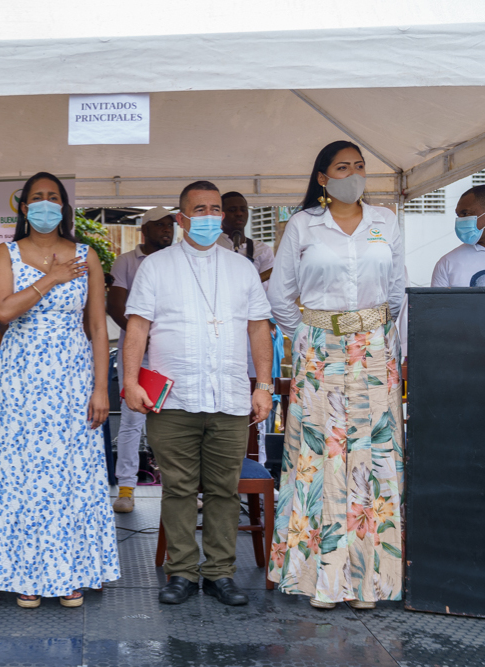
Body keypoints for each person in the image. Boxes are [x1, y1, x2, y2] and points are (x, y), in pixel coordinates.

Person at [267, 140, 406, 610]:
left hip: (373, 351)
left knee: (371, 459)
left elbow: (398, 291)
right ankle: (319, 581)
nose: (353, 174)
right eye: (342, 167)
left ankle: (370, 583)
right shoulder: (303, 225)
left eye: (360, 166)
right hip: (319, 352)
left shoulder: (386, 221)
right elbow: (281, 297)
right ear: (323, 178)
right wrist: (313, 336)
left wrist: (381, 342)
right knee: (320, 460)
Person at [123, 181, 273, 607]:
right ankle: (183, 572)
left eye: (215, 209)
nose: (209, 216)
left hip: (228, 397)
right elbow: (137, 327)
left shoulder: (241, 267)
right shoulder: (157, 267)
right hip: (173, 400)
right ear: (181, 218)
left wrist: (263, 386)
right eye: (199, 209)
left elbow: (258, 327)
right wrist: (131, 381)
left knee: (225, 491)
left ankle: (221, 573)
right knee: (179, 489)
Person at [0, 172, 120, 608]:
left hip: (73, 377)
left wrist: (101, 388)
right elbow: (3, 309)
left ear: (64, 206)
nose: (44, 204)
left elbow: (97, 325)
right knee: (23, 475)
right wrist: (51, 279)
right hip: (21, 379)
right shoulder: (7, 253)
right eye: (36, 197)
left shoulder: (87, 255)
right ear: (22, 207)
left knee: (70, 474)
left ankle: (70, 571)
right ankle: (26, 573)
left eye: (52, 197)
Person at [106, 206, 175, 513]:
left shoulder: (178, 259)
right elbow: (115, 305)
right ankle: (126, 489)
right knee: (133, 419)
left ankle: (178, 489)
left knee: (174, 420)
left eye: (170, 226)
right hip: (138, 354)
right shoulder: (126, 261)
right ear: (144, 230)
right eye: (160, 226)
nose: (167, 232)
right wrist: (143, 337)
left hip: (171, 353)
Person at [431, 184, 485, 287]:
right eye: (458, 216)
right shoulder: (447, 263)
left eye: (466, 214)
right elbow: (437, 302)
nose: (460, 221)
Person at [218, 192, 275, 284]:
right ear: (221, 215)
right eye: (232, 210)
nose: (239, 213)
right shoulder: (211, 246)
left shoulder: (263, 250)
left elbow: (268, 288)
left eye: (243, 209)